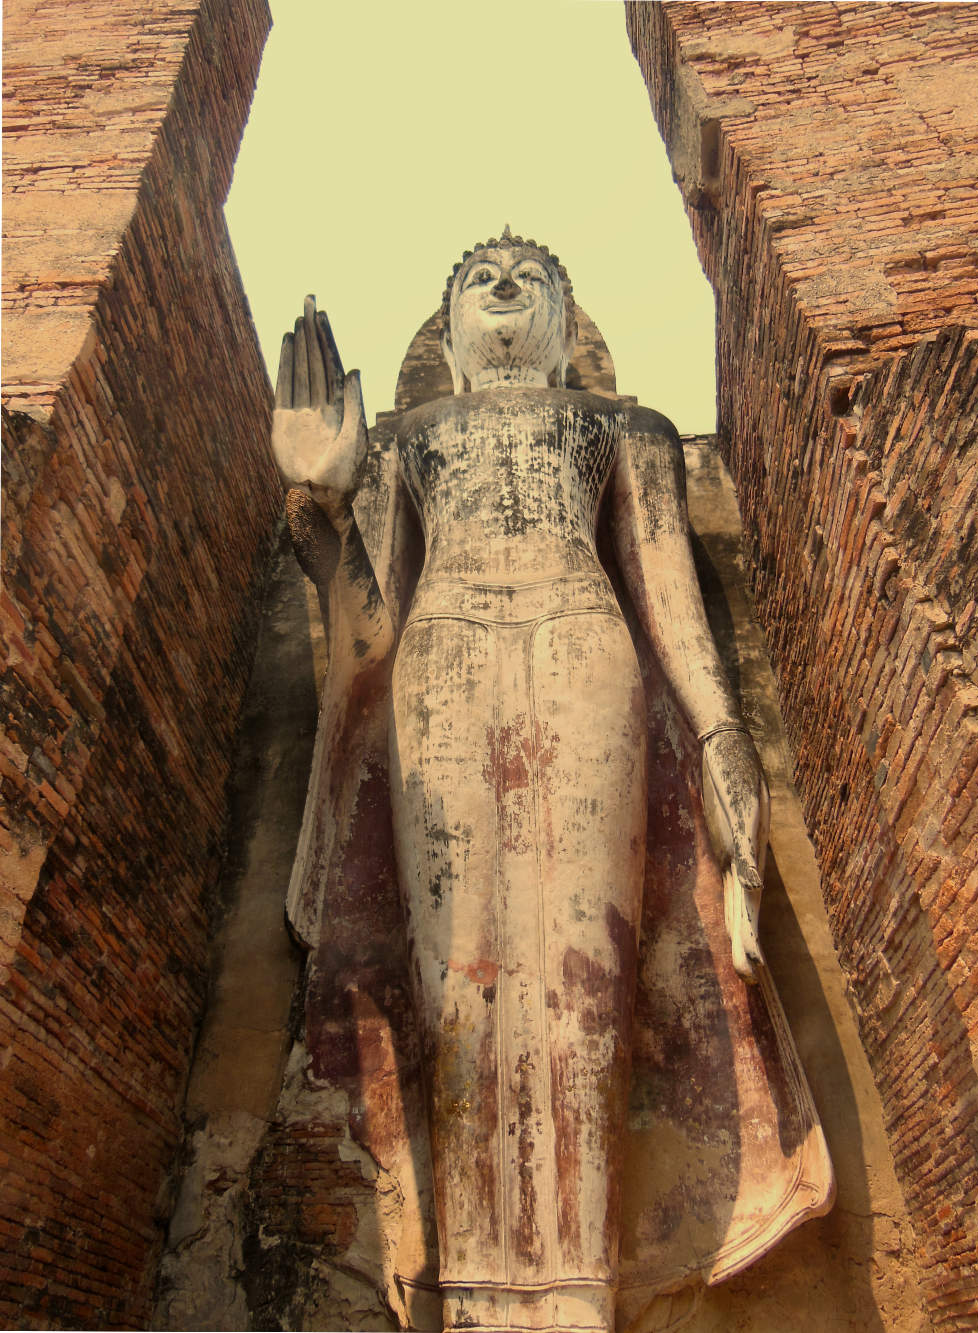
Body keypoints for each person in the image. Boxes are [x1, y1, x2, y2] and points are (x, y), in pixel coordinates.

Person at [271, 230, 770, 1333]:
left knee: (586, 971)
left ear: (563, 321)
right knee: (457, 984)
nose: (503, 291)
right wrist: (319, 505)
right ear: (445, 333)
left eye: (526, 279)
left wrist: (724, 736)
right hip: (441, 660)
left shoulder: (621, 430)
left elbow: (673, 610)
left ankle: (580, 1292)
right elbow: (366, 632)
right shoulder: (410, 445)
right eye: (478, 282)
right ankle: (477, 1295)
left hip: (583, 653)